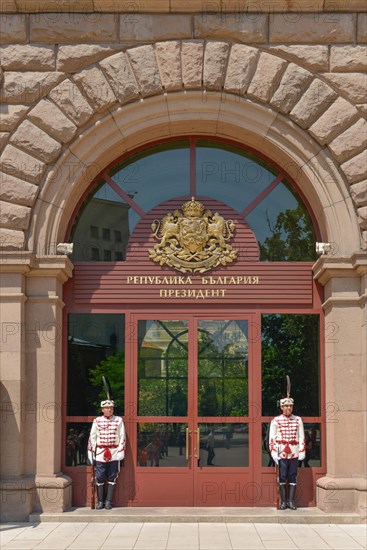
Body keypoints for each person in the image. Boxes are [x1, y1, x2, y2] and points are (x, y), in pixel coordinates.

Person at [88, 399, 125, 510]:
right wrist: (91, 452)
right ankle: (100, 502)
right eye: (107, 408)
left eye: (111, 408)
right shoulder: (97, 421)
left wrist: (120, 451)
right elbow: (92, 437)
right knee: (99, 477)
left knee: (112, 476)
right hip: (100, 452)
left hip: (114, 452)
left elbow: (122, 436)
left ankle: (108, 501)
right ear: (102, 409)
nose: (110, 409)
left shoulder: (118, 420)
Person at [269, 396, 305, 510]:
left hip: (294, 452)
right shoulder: (276, 420)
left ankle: (291, 501)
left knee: (293, 476)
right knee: (282, 476)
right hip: (282, 452)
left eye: (290, 406)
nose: (288, 408)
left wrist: (302, 450)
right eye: (286, 406)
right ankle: (283, 502)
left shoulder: (298, 420)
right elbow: (272, 438)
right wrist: (274, 453)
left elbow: (301, 436)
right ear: (281, 407)